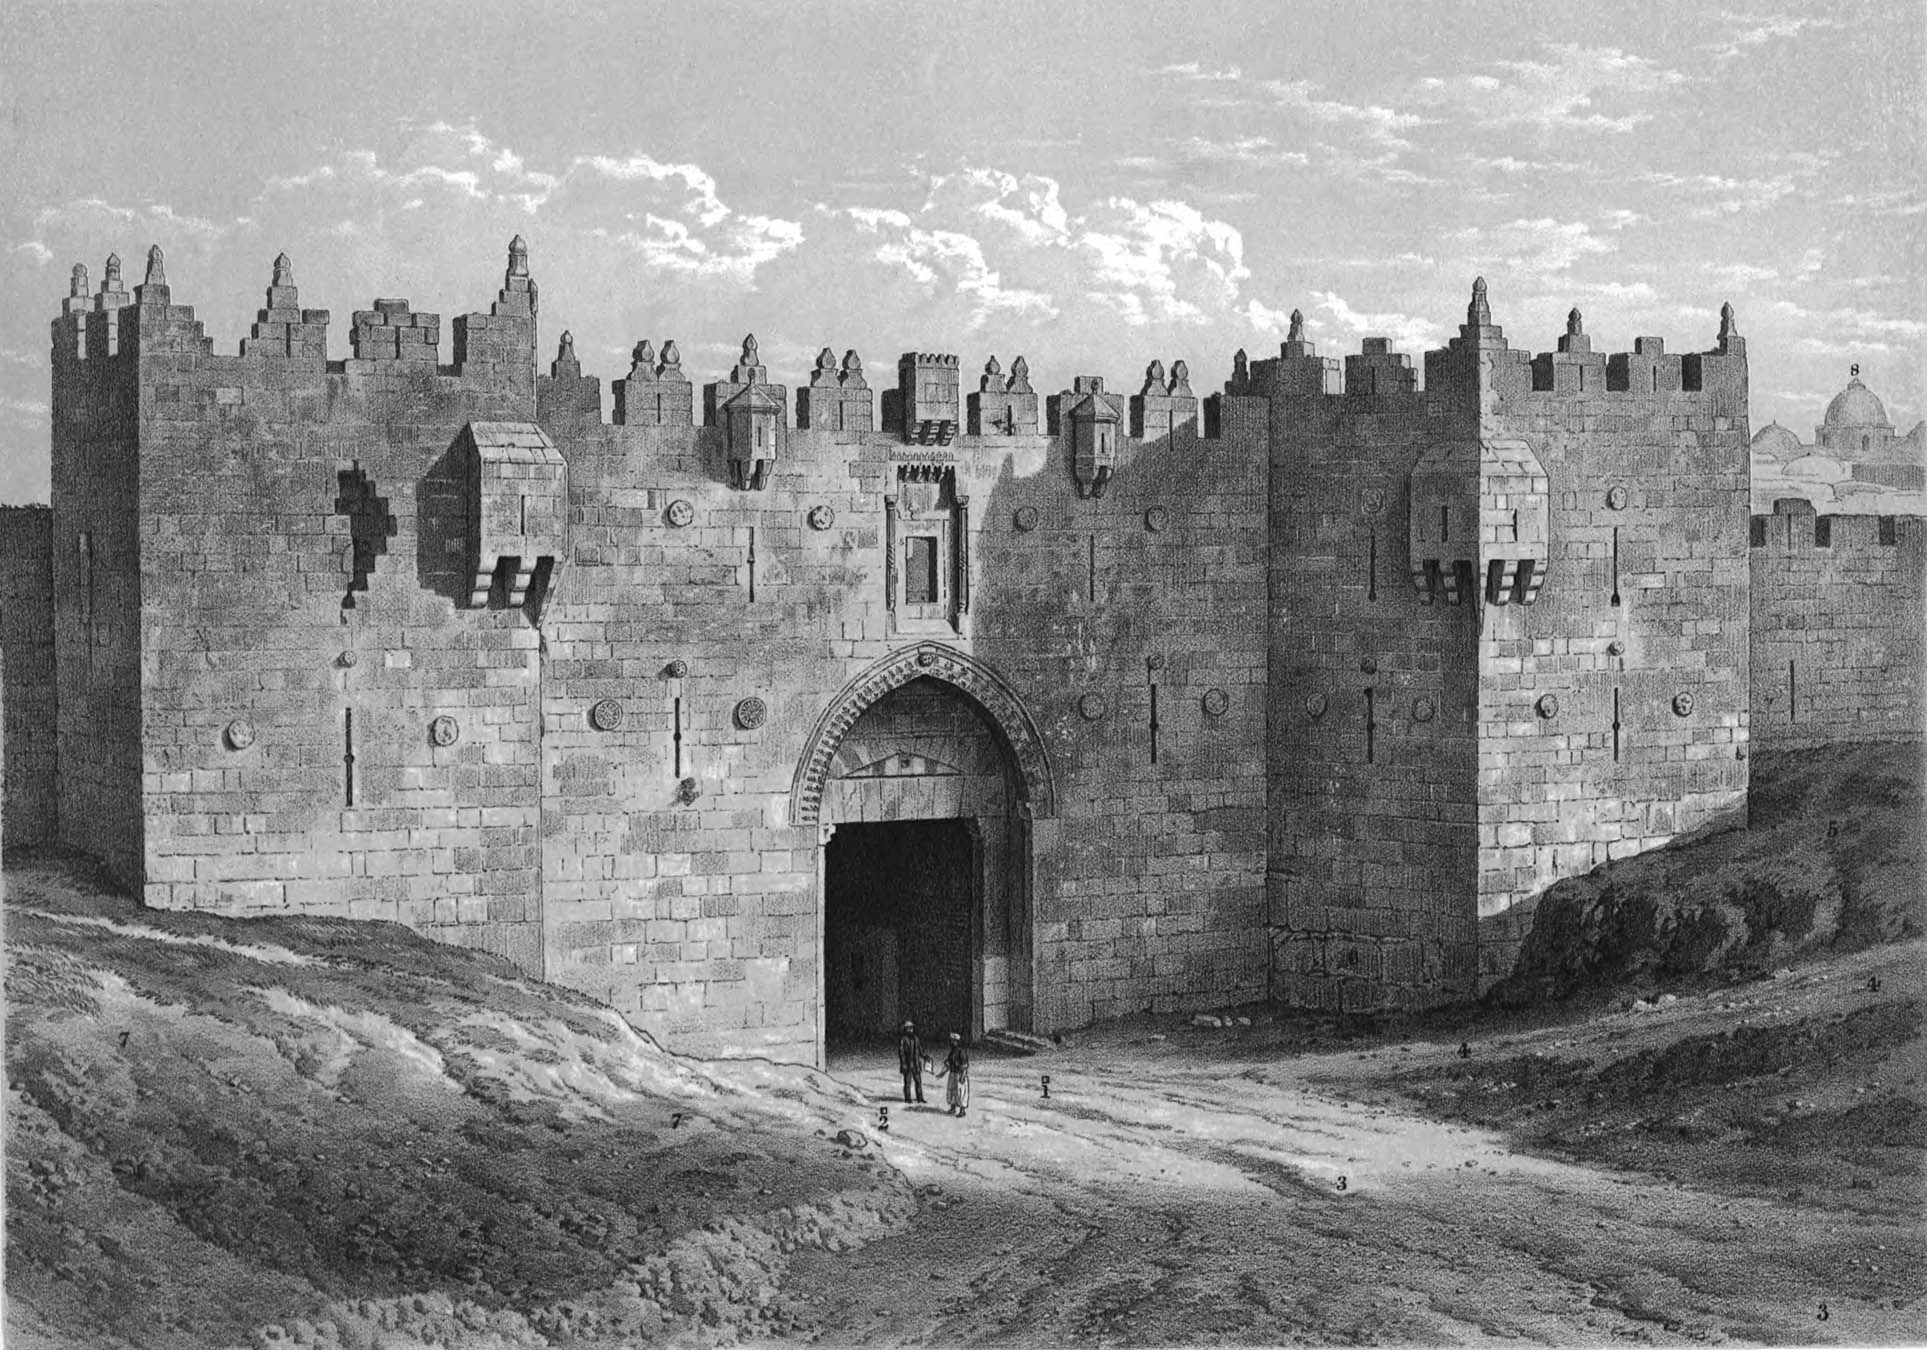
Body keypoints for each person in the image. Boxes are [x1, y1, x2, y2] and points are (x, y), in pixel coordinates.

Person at [934, 1031, 970, 1117]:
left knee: (961, 1092)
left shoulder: (962, 1052)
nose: (951, 1042)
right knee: (951, 1091)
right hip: (952, 1074)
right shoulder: (952, 1052)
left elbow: (965, 1066)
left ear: (957, 1041)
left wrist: (962, 1076)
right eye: (951, 1041)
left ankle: (962, 1110)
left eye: (953, 1041)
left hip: (959, 1074)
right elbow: (948, 1064)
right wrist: (941, 1074)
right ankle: (953, 1108)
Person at [897, 1020, 926, 1104]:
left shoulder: (916, 1038)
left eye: (911, 1028)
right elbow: (901, 1053)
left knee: (918, 1082)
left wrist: (925, 1056)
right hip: (908, 1064)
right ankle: (907, 1098)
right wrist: (903, 1064)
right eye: (908, 1028)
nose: (910, 1030)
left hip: (916, 1064)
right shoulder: (903, 1039)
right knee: (907, 1082)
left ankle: (920, 1098)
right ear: (905, 1029)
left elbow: (920, 1050)